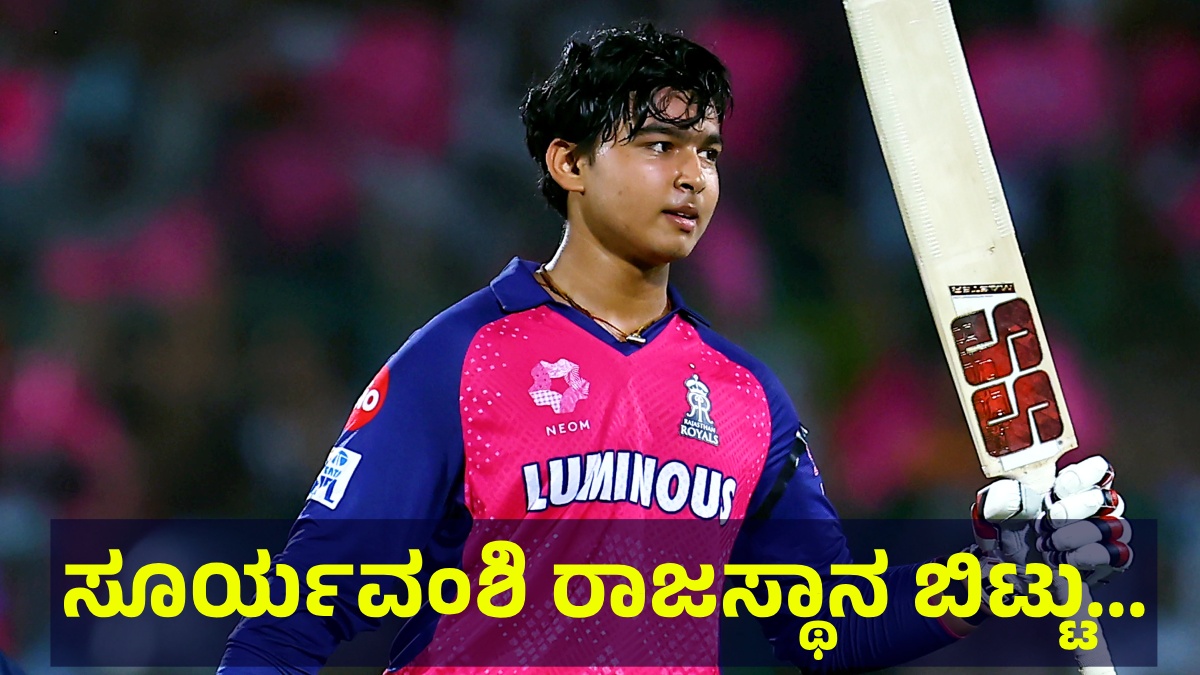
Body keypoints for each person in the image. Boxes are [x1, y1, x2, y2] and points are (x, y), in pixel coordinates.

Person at [219, 22, 1130, 673]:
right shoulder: (459, 361)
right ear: (569, 163)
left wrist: (999, 574)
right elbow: (288, 623)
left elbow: (830, 629)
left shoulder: (747, 397)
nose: (693, 175)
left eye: (710, 151)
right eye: (659, 144)